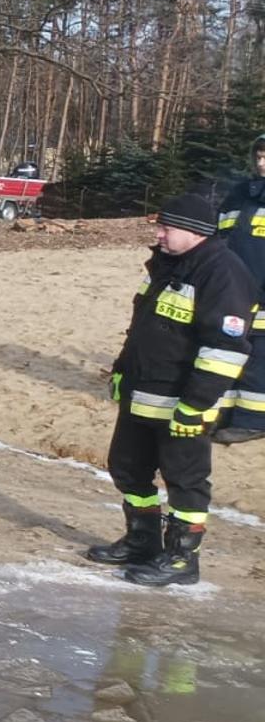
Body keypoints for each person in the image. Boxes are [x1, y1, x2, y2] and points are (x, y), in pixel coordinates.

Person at [89, 194, 253, 586]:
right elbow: (143, 324)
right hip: (142, 391)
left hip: (184, 402)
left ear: (195, 232)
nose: (159, 234)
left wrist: (195, 405)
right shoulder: (166, 263)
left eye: (167, 228)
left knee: (185, 481)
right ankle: (141, 541)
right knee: (127, 469)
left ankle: (181, 559)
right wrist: (121, 370)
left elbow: (225, 349)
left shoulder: (223, 274)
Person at [213, 134, 265, 443]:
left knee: (260, 355)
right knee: (230, 350)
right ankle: (226, 414)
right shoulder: (240, 194)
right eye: (258, 156)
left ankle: (253, 420)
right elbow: (220, 237)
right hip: (235, 291)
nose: (261, 162)